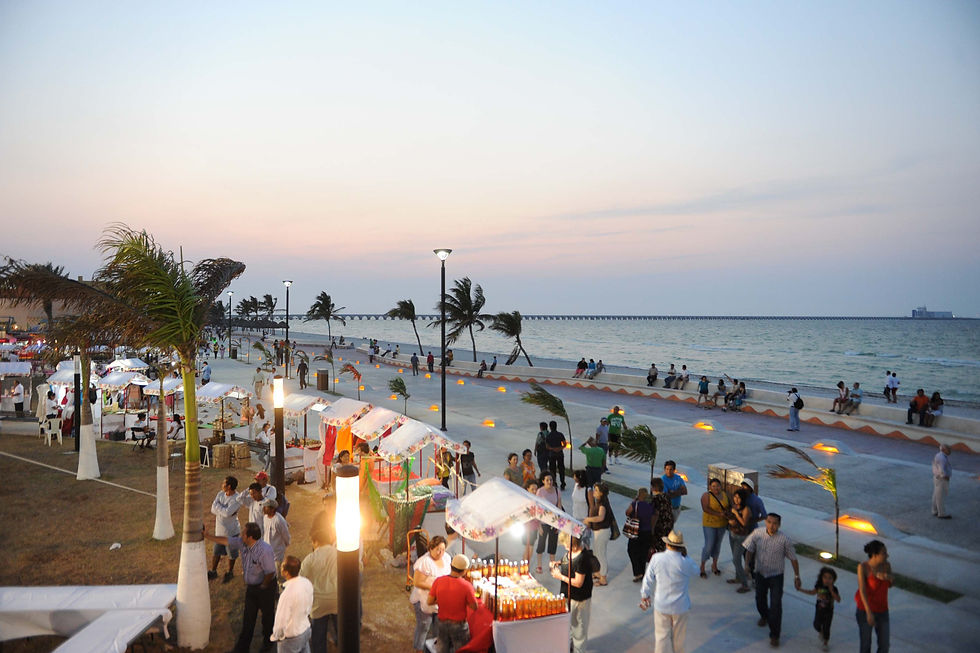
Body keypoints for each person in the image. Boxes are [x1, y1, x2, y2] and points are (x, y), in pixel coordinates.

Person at [204, 521, 278, 653]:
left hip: (265, 587)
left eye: (243, 533)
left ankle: (268, 643)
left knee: (267, 617)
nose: (241, 535)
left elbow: (270, 571)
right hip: (251, 587)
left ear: (250, 537)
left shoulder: (264, 550)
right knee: (248, 618)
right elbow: (226, 540)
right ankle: (242, 648)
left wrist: (263, 586)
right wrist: (208, 536)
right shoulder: (242, 543)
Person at [743, 513, 801, 648]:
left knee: (776, 605)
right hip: (760, 573)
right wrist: (747, 565)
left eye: (775, 523)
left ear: (779, 525)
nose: (771, 526)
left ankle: (775, 635)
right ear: (766, 522)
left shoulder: (784, 539)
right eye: (769, 522)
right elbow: (749, 550)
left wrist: (797, 576)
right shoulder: (757, 534)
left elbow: (793, 558)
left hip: (776, 576)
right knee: (760, 599)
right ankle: (764, 615)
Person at [639, 530, 699, 653]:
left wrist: (645, 595)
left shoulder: (657, 558)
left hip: (662, 605)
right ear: (681, 547)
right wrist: (686, 556)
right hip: (681, 606)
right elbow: (696, 571)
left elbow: (648, 578)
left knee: (661, 638)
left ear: (667, 544)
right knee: (679, 639)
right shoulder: (686, 562)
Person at [426, 554, 478, 653]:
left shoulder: (439, 581)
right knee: (461, 650)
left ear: (451, 566)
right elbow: (474, 607)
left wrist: (443, 599)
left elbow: (430, 601)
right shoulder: (466, 586)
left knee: (442, 649)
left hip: (441, 622)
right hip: (459, 626)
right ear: (464, 571)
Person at [552, 534, 593, 653]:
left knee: (579, 629)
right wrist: (558, 563)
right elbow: (567, 560)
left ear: (574, 545)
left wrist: (560, 576)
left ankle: (578, 650)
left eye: (567, 545)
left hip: (580, 599)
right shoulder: (570, 553)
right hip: (567, 596)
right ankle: (568, 647)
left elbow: (579, 582)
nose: (565, 547)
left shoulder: (583, 558)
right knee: (567, 625)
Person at [300, 527, 338, 653]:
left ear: (315, 541)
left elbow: (301, 581)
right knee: (343, 633)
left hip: (318, 604)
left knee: (318, 639)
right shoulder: (339, 553)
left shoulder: (309, 559)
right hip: (338, 600)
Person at [410, 535, 450, 653]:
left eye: (442, 549)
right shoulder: (424, 562)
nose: (440, 552)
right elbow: (417, 582)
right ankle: (419, 650)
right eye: (437, 549)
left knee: (438, 627)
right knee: (424, 627)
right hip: (424, 600)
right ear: (431, 548)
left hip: (439, 601)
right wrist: (435, 587)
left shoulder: (446, 558)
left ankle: (435, 649)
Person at [855, 539, 892, 653]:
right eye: (884, 553)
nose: (887, 555)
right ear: (875, 555)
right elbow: (862, 590)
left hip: (882, 610)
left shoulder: (887, 565)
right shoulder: (863, 567)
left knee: (884, 645)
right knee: (866, 645)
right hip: (866, 610)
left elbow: (891, 584)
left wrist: (888, 578)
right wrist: (869, 612)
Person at [272, 555, 313, 653]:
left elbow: (281, 621)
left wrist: (277, 636)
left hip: (291, 638)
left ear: (286, 572)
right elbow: (309, 605)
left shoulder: (286, 594)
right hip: (305, 630)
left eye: (282, 566)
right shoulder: (307, 583)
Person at [798, 566, 840, 652]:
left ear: (833, 580)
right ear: (821, 578)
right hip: (819, 610)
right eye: (825, 577)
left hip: (828, 612)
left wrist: (832, 591)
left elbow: (838, 599)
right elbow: (812, 592)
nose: (827, 580)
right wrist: (801, 590)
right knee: (816, 625)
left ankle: (825, 642)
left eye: (830, 578)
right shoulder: (819, 586)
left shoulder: (834, 589)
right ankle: (821, 632)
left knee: (827, 627)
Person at [210, 475, 243, 582]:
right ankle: (213, 571)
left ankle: (230, 572)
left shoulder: (237, 499)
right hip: (219, 531)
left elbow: (227, 513)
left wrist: (218, 507)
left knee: (231, 554)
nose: (222, 485)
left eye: (224, 483)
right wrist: (222, 510)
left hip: (231, 532)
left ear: (229, 486)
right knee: (216, 553)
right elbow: (212, 509)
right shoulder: (220, 494)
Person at [699, 478, 730, 578]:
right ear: (709, 487)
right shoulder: (706, 495)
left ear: (721, 486)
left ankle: (714, 565)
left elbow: (729, 506)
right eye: (713, 486)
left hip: (722, 524)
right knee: (709, 545)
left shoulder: (725, 495)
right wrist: (719, 514)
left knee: (717, 545)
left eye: (717, 486)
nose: (716, 488)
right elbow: (705, 508)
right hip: (709, 524)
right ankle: (702, 566)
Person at [583, 482, 612, 586]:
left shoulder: (602, 504)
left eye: (596, 490)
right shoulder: (599, 501)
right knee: (596, 552)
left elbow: (601, 517)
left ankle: (603, 578)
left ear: (601, 493)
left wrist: (588, 519)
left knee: (601, 554)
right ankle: (598, 573)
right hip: (598, 532)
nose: (594, 492)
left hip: (602, 532)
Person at [726, 488, 754, 593]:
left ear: (743, 499)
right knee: (735, 557)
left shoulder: (746, 509)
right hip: (732, 534)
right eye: (735, 497)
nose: (736, 499)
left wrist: (736, 514)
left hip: (741, 537)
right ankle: (738, 578)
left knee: (736, 560)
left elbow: (744, 523)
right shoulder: (734, 507)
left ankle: (745, 584)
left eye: (739, 498)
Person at [535, 473, 563, 573]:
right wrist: (539, 525)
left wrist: (559, 524)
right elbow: (537, 508)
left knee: (553, 543)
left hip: (554, 522)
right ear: (543, 481)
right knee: (541, 543)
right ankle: (539, 565)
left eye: (551, 480)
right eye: (547, 480)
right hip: (543, 522)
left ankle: (552, 564)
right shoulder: (540, 491)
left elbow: (559, 507)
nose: (549, 482)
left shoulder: (557, 491)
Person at [626, 487, 655, 582]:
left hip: (636, 531)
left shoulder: (635, 504)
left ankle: (637, 572)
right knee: (643, 553)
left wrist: (634, 501)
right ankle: (642, 572)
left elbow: (627, 512)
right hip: (647, 532)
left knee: (631, 550)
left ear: (638, 495)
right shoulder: (650, 506)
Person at [262, 500, 291, 574]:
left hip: (277, 553)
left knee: (277, 573)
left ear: (272, 509)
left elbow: (286, 535)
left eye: (266, 507)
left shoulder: (279, 520)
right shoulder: (265, 517)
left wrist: (285, 545)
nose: (263, 509)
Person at [649, 478, 674, 554]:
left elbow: (655, 515)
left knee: (658, 546)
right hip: (668, 524)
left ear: (654, 487)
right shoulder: (667, 496)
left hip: (659, 526)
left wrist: (651, 529)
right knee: (665, 545)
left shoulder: (656, 499)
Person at [569, 471, 593, 547]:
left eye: (575, 477)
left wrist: (589, 521)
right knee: (575, 540)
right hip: (575, 517)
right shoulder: (576, 485)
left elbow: (592, 506)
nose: (574, 479)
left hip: (584, 519)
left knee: (585, 541)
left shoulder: (588, 490)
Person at [932, 443, 952, 519]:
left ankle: (935, 510)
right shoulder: (942, 458)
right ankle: (942, 513)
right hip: (942, 479)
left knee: (936, 495)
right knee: (941, 497)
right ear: (943, 450)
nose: (950, 451)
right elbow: (941, 469)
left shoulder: (939, 456)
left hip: (937, 478)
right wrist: (945, 476)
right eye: (948, 449)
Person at [546, 420, 567, 489]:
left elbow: (547, 446)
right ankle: (563, 483)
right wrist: (559, 448)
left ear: (550, 427)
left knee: (552, 470)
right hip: (560, 454)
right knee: (561, 469)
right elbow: (565, 444)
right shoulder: (560, 434)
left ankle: (554, 483)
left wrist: (553, 449)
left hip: (552, 454)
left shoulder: (548, 436)